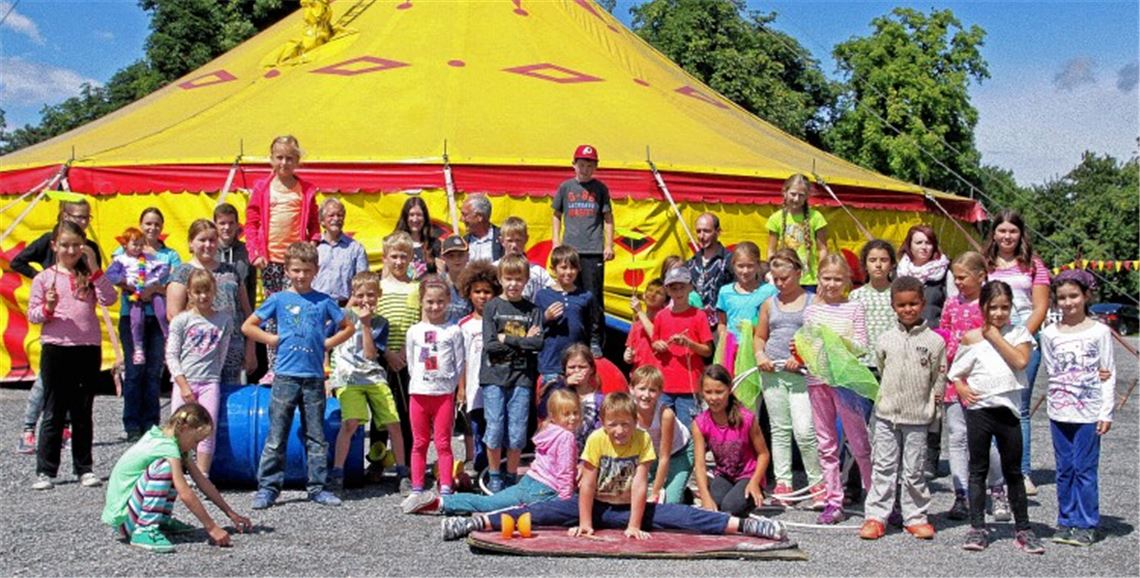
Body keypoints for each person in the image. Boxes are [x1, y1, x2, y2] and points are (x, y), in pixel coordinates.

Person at [439, 393, 787, 544]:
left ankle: (748, 525)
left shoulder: (642, 441)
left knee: (681, 516)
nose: (619, 431)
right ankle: (473, 521)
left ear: (635, 422)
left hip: (626, 509)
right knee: (539, 511)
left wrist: (635, 526)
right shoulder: (595, 441)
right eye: (613, 425)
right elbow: (586, 485)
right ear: (604, 423)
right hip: (593, 506)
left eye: (625, 424)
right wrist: (586, 523)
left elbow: (639, 485)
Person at [242, 242, 354, 509]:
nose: (301, 276)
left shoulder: (323, 300)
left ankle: (318, 487)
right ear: (287, 271)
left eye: (306, 270)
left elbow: (348, 326)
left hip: (314, 377)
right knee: (276, 434)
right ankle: (268, 487)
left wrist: (328, 344)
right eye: (295, 270)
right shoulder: (278, 299)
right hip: (285, 376)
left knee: (316, 435)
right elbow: (248, 326)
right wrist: (271, 338)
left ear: (315, 270)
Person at [947, 280, 1043, 554]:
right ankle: (977, 526)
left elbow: (1020, 362)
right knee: (977, 469)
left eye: (1005, 307)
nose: (999, 313)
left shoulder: (1019, 333)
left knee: (1013, 471)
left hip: (1009, 412)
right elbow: (956, 371)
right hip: (980, 411)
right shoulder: (971, 338)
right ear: (983, 307)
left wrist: (995, 336)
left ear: (1012, 307)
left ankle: (1023, 528)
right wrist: (962, 388)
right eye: (993, 308)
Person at [28, 221, 117, 490]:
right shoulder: (44, 278)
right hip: (56, 347)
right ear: (54, 245)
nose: (71, 250)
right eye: (65, 245)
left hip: (87, 348)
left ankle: (84, 467)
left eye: (77, 245)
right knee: (54, 409)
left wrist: (94, 269)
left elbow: (109, 298)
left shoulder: (87, 275)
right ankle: (46, 470)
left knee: (82, 410)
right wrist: (48, 308)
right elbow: (33, 315)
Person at [859, 276, 947, 541]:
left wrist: (934, 414)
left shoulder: (934, 342)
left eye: (913, 304)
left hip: (918, 417)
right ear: (893, 306)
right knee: (883, 466)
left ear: (922, 304)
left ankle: (915, 517)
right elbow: (882, 370)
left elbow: (938, 380)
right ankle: (876, 516)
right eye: (902, 305)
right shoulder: (886, 339)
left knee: (914, 469)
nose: (908, 309)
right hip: (887, 416)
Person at [12, 199, 101, 454]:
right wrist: (41, 278)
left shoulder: (89, 249)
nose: (82, 222)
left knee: (80, 393)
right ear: (64, 216)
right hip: (55, 330)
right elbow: (19, 261)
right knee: (45, 384)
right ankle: (29, 428)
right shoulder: (49, 242)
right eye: (77, 217)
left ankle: (68, 430)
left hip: (82, 335)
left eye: (86, 218)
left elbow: (99, 288)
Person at [101, 403, 252, 553]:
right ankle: (145, 529)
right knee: (166, 467)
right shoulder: (167, 447)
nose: (195, 447)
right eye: (196, 441)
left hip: (130, 513)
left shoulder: (170, 439)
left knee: (173, 467)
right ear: (185, 429)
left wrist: (230, 513)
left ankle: (161, 520)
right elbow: (185, 493)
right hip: (124, 519)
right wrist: (211, 527)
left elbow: (202, 481)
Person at [405, 389, 581, 516]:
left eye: (575, 413)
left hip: (531, 480)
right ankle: (438, 503)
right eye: (566, 414)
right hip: (545, 489)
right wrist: (565, 500)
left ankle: (439, 502)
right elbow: (565, 471)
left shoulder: (548, 429)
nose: (572, 418)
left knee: (491, 503)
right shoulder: (566, 436)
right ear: (554, 415)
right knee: (496, 507)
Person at [1042, 269, 1116, 547]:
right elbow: (1051, 369)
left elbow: (1107, 370)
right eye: (1062, 297)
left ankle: (1087, 522)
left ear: (1086, 296)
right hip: (1060, 410)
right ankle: (1066, 519)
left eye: (1074, 296)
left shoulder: (1100, 332)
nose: (1068, 302)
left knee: (1084, 467)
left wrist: (1105, 411)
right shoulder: (1050, 334)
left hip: (1088, 411)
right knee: (1064, 468)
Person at [244, 135, 321, 384]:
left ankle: (298, 361)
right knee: (273, 313)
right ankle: (275, 366)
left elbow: (313, 225)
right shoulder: (262, 188)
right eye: (279, 157)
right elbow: (252, 223)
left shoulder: (306, 189)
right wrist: (255, 252)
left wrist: (313, 244)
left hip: (296, 263)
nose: (284, 163)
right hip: (271, 261)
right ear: (271, 159)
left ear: (297, 160)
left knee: (297, 312)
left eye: (290, 158)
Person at [984, 209, 1050, 496]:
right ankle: (996, 473)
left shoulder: (1034, 265)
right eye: (1002, 231)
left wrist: (1022, 336)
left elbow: (1040, 306)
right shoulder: (984, 264)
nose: (1007, 236)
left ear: (1021, 234)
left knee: (1020, 408)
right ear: (994, 234)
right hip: (992, 338)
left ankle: (1020, 472)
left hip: (1025, 339)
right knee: (994, 404)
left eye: (1013, 231)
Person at [801, 254, 871, 524]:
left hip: (845, 382)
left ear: (847, 281)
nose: (831, 284)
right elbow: (806, 343)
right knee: (826, 443)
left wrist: (838, 342)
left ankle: (874, 498)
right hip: (818, 381)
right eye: (827, 278)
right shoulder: (812, 309)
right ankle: (833, 499)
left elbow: (862, 344)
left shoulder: (854, 308)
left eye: (837, 279)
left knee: (858, 442)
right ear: (819, 279)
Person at [753, 249, 824, 509]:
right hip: (773, 373)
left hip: (802, 375)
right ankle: (783, 483)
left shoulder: (813, 302)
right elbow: (760, 336)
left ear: (798, 272)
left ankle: (817, 483)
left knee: (805, 431)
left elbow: (820, 339)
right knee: (779, 430)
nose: (781, 283)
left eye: (785, 277)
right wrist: (760, 355)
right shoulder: (770, 303)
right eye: (776, 279)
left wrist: (804, 357)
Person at [940, 252, 1007, 522]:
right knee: (956, 436)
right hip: (954, 378)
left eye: (962, 277)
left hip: (981, 379)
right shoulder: (950, 303)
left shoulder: (989, 306)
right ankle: (961, 494)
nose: (957, 282)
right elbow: (944, 332)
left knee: (984, 437)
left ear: (981, 276)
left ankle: (998, 489)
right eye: (954, 277)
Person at [327, 271, 406, 492]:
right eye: (360, 295)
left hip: (372, 376)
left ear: (378, 295)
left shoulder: (381, 323)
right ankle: (337, 472)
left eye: (371, 295)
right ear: (353, 295)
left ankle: (402, 472)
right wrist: (327, 374)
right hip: (347, 378)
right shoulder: (341, 317)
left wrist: (366, 325)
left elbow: (371, 354)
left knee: (393, 423)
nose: (365, 300)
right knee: (350, 423)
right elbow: (326, 343)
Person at [114, 207, 181, 442]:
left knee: (154, 372)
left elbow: (176, 283)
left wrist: (154, 289)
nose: (152, 228)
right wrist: (135, 289)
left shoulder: (170, 255)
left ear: (162, 228)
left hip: (157, 317)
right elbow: (115, 275)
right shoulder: (127, 248)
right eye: (148, 224)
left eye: (157, 224)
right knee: (134, 372)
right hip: (131, 316)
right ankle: (131, 423)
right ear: (141, 225)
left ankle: (151, 423)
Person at [399, 275, 465, 510]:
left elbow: (459, 363)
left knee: (443, 443)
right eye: (429, 302)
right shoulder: (414, 331)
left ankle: (446, 487)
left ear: (447, 301)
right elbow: (410, 360)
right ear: (421, 302)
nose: (435, 306)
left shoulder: (453, 331)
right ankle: (417, 488)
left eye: (439, 302)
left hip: (443, 395)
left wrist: (452, 387)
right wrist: (420, 382)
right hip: (419, 393)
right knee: (419, 442)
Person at [480, 254, 544, 493]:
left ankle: (511, 476)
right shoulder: (492, 306)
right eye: (508, 278)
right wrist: (522, 340)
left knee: (517, 433)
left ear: (526, 280)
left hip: (522, 377)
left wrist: (507, 338)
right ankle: (495, 476)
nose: (513, 284)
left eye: (518, 279)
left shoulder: (533, 310)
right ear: (500, 279)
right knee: (495, 428)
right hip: (493, 376)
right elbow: (490, 344)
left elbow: (537, 344)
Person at [165, 219, 255, 385]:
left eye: (212, 240)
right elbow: (174, 316)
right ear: (191, 243)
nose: (208, 245)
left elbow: (247, 313)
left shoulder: (231, 271)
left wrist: (251, 348)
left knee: (229, 402)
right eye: (202, 240)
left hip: (232, 349)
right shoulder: (183, 272)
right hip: (199, 353)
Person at [164, 269, 232, 475]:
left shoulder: (223, 320)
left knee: (206, 429)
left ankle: (202, 474)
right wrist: (183, 384)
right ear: (189, 293)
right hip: (185, 381)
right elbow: (172, 354)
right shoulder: (181, 320)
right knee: (177, 429)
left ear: (214, 292)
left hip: (210, 382)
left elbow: (222, 353)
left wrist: (214, 377)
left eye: (207, 291)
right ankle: (174, 472)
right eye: (198, 292)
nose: (203, 296)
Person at [692, 365, 770, 516]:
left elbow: (764, 454)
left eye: (719, 392)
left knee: (730, 508)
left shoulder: (747, 418)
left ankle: (755, 494)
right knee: (715, 506)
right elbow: (700, 465)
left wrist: (755, 482)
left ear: (729, 389)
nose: (713, 398)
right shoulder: (700, 423)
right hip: (724, 475)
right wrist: (705, 497)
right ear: (702, 392)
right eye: (708, 392)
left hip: (748, 475)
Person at [552, 144, 614, 330]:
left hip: (593, 249)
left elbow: (608, 218)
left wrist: (609, 245)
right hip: (570, 250)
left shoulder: (600, 189)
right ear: (574, 165)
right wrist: (556, 241)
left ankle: (595, 336)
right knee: (569, 291)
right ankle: (572, 330)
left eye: (589, 166)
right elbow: (556, 214)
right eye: (581, 165)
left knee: (593, 295)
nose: (585, 170)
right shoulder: (566, 187)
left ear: (595, 167)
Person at [375, 231, 421, 468]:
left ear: (411, 258)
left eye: (404, 257)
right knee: (380, 412)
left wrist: (404, 351)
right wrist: (387, 352)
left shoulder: (416, 288)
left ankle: (407, 463)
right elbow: (372, 324)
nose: (399, 262)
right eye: (394, 256)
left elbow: (418, 322)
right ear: (385, 257)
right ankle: (377, 460)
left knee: (405, 413)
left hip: (407, 358)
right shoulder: (379, 287)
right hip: (382, 356)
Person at [651, 266, 713, 434]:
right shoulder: (661, 316)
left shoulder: (698, 316)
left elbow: (707, 351)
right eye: (673, 288)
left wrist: (689, 344)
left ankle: (689, 461)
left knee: (688, 431)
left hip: (689, 385)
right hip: (664, 384)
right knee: (662, 430)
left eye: (682, 287)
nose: (678, 292)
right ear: (667, 290)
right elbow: (654, 344)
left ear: (690, 288)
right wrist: (658, 345)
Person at [456, 261, 500, 476]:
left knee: (495, 431)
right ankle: (478, 469)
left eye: (487, 291)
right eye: (477, 291)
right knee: (477, 430)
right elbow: (461, 360)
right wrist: (461, 389)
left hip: (497, 387)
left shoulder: (501, 320)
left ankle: (493, 473)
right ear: (469, 293)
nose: (482, 296)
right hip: (474, 388)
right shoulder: (463, 325)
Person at [105, 227, 171, 366]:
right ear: (125, 245)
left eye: (141, 244)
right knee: (136, 320)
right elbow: (110, 275)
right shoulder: (121, 259)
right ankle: (138, 347)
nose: (138, 248)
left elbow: (164, 266)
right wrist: (126, 281)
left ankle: (167, 338)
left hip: (151, 289)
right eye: (135, 244)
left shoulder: (148, 257)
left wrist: (154, 278)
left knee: (162, 311)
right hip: (133, 293)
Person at [536, 246, 602, 385]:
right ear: (554, 269)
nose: (568, 272)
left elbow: (592, 327)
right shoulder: (542, 295)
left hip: (577, 363)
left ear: (579, 269)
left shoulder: (586, 296)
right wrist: (546, 317)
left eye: (573, 268)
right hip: (551, 362)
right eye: (563, 267)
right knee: (553, 402)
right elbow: (534, 328)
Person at [630, 365, 692, 504]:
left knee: (669, 503)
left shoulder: (666, 414)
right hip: (652, 454)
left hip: (679, 452)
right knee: (633, 493)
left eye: (652, 390)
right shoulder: (629, 410)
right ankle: (675, 487)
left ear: (660, 393)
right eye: (642, 389)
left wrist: (655, 492)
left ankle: (681, 492)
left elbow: (665, 457)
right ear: (632, 388)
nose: (646, 395)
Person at [715, 241, 776, 368]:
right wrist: (724, 337)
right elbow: (722, 322)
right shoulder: (725, 292)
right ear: (733, 266)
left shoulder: (769, 291)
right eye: (740, 266)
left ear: (758, 265)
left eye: (750, 266)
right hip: (732, 349)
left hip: (758, 349)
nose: (745, 271)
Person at [538, 344, 605, 449]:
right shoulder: (558, 389)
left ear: (591, 369)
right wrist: (564, 384)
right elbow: (542, 411)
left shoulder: (599, 399)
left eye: (582, 367)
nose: (576, 370)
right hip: (559, 450)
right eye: (571, 367)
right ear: (565, 369)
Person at [767, 174, 828, 289]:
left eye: (801, 195)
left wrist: (822, 275)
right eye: (793, 194)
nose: (796, 199)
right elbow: (771, 250)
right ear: (785, 192)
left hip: (810, 280)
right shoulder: (775, 218)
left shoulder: (816, 217)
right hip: (784, 278)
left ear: (807, 196)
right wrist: (773, 272)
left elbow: (823, 249)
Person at [313, 198, 369, 306]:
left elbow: (363, 282)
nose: (336, 218)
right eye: (331, 215)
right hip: (316, 305)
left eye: (340, 215)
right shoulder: (314, 248)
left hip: (345, 306)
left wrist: (347, 309)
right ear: (322, 221)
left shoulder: (356, 249)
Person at [897, 225, 952, 327]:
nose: (924, 247)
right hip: (902, 333)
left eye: (928, 243)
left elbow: (953, 305)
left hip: (933, 332)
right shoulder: (898, 273)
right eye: (919, 243)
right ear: (909, 245)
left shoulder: (944, 273)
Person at [687, 213, 735, 329]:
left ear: (718, 232)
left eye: (706, 231)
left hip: (723, 326)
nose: (702, 236)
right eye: (698, 231)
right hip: (695, 327)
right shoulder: (691, 263)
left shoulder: (729, 260)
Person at [498, 216, 556, 300]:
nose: (514, 245)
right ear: (502, 241)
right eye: (510, 241)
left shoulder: (538, 272)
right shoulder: (494, 268)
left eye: (518, 240)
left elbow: (554, 292)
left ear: (526, 239)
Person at [213, 202, 257, 309]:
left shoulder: (247, 251)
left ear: (237, 225)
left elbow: (251, 287)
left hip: (240, 314)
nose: (227, 227)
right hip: (214, 314)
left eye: (231, 223)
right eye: (222, 223)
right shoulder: (209, 251)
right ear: (215, 225)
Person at [394, 196, 442, 279]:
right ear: (405, 217)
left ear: (425, 218)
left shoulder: (434, 244)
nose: (415, 219)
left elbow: (441, 274)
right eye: (411, 215)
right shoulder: (395, 242)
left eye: (419, 215)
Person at [624, 279, 665, 369]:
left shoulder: (665, 321)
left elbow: (656, 337)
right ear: (643, 295)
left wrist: (639, 311)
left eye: (658, 293)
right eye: (650, 290)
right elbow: (630, 350)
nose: (652, 295)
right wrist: (627, 356)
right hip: (638, 375)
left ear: (665, 301)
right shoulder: (636, 324)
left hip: (656, 376)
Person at [461, 194, 502, 263]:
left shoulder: (503, 239)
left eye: (465, 215)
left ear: (479, 217)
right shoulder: (463, 242)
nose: (461, 219)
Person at [440, 236, 472, 323]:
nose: (456, 259)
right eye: (451, 256)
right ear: (443, 258)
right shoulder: (438, 283)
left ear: (468, 256)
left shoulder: (474, 283)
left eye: (460, 255)